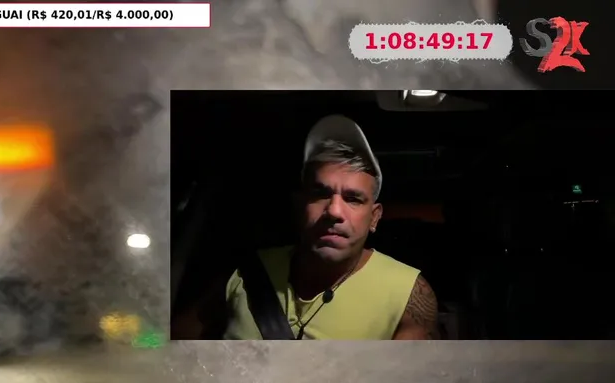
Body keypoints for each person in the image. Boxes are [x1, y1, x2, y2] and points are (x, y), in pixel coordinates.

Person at [178, 115, 439, 340]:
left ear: (374, 218)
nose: (334, 211)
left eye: (353, 198)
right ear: (299, 206)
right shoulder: (247, 273)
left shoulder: (408, 294)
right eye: (320, 194)